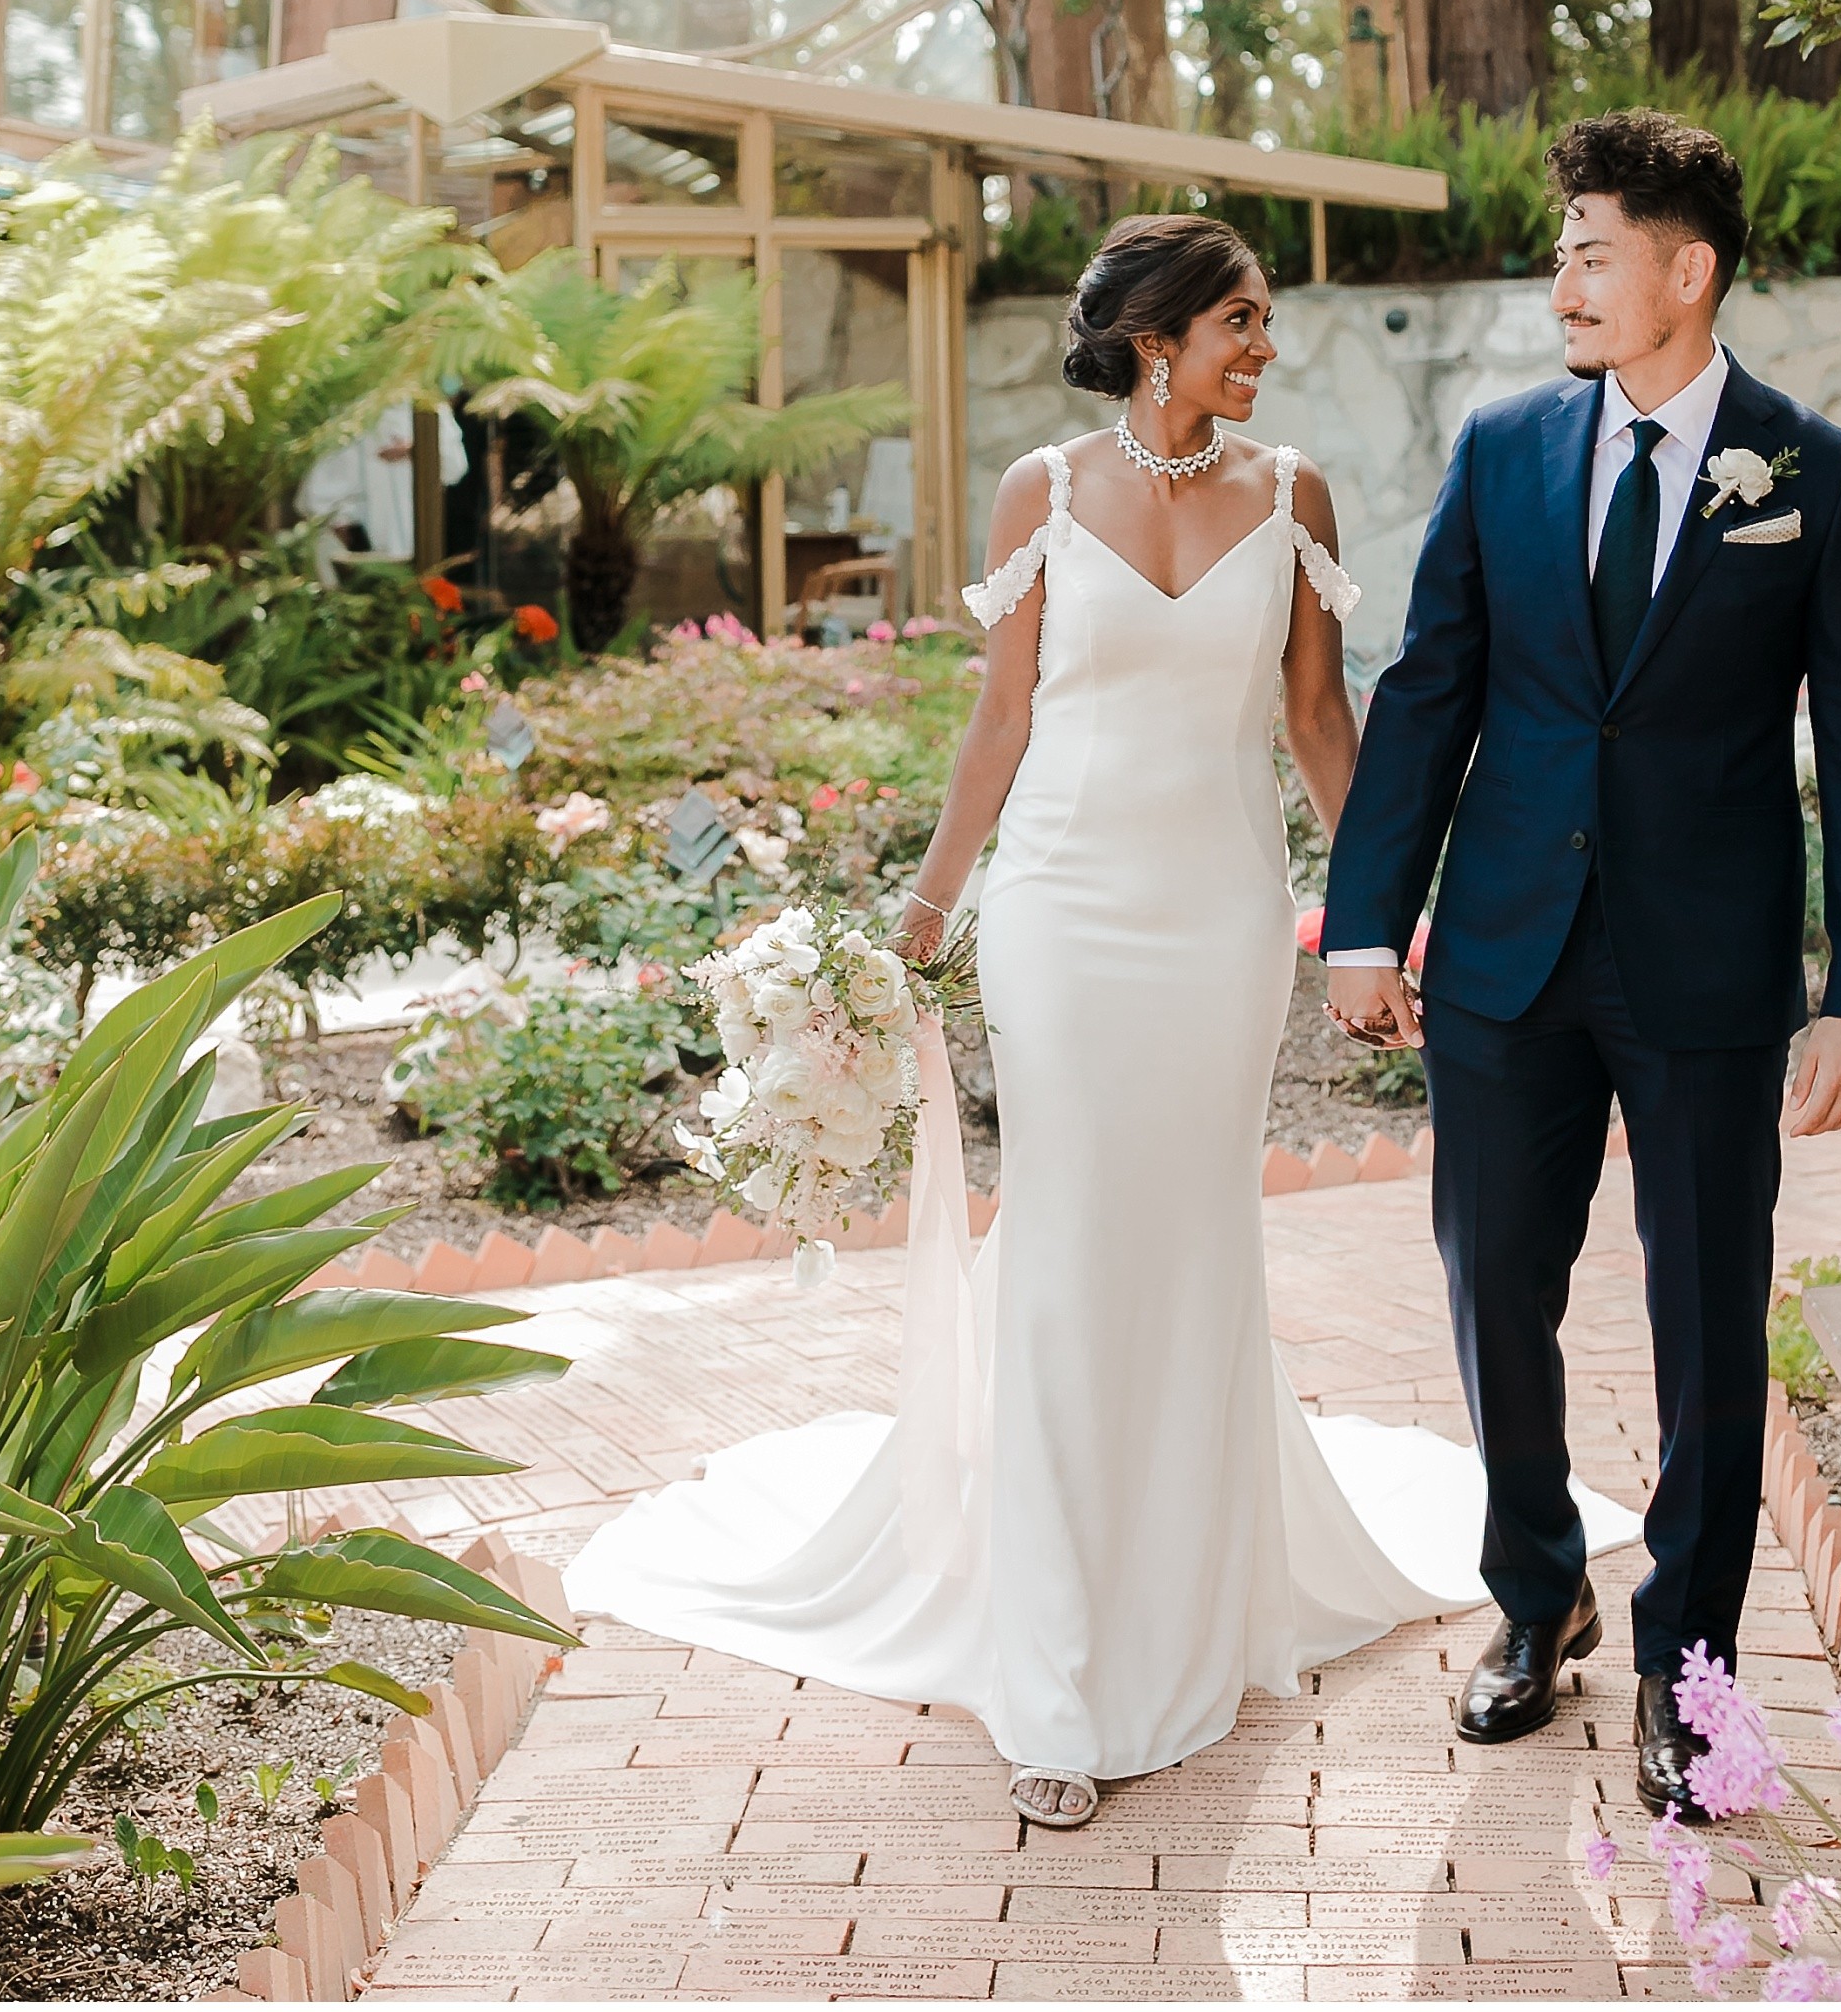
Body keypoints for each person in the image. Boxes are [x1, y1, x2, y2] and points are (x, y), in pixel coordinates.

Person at [563, 213, 1636, 1827]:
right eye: (1241, 323)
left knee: (1195, 1240)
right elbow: (1001, 719)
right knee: (1065, 1249)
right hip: (1058, 920)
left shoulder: (1294, 497)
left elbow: (1316, 717)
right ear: (1158, 337)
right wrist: (917, 923)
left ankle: (1192, 1600)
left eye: (1264, 324)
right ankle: (1059, 1680)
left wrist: (1382, 913)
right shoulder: (1043, 491)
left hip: (1216, 927)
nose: (1264, 349)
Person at [1323, 110, 1841, 1823]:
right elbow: (1431, 688)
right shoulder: (1504, 447)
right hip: (1507, 955)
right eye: (1563, 250)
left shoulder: (1816, 477)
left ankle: (1691, 1666)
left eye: (1592, 251)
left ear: (1686, 269)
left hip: (1710, 968)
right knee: (1495, 1292)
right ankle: (1537, 1595)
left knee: (1707, 1323)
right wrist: (1370, 913)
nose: (1562, 281)